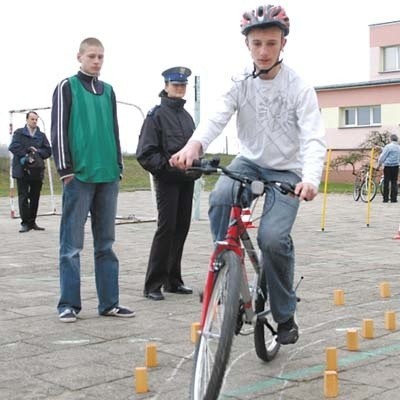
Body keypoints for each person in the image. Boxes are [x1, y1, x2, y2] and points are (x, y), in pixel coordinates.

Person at [170, 5, 326, 344]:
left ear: (283, 43)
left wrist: (310, 178)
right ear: (247, 45)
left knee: (272, 238)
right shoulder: (240, 81)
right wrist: (194, 144)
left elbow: (314, 136)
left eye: (271, 43)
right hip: (249, 161)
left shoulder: (298, 87)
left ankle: (284, 315)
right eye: (257, 44)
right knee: (220, 197)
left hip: (287, 169)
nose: (264, 51)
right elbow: (217, 116)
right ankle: (226, 270)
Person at [50, 37, 135, 322]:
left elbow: (114, 128)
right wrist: (65, 169)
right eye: (91, 56)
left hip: (107, 174)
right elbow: (59, 128)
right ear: (80, 57)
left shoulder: (108, 90)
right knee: (71, 245)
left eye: (100, 56)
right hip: (80, 176)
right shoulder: (67, 87)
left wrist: (119, 165)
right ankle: (68, 304)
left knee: (106, 243)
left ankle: (109, 302)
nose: (96, 61)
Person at [136, 67, 199, 301]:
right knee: (166, 229)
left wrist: (197, 166)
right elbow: (145, 153)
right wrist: (169, 167)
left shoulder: (187, 117)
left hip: (186, 181)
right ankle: (153, 283)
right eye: (175, 85)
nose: (179, 89)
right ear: (166, 86)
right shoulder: (156, 116)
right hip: (167, 181)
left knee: (181, 228)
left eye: (183, 86)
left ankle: (173, 280)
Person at [9, 111, 52, 233]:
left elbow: (48, 151)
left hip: (36, 171)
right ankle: (25, 223)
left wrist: (37, 152)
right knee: (23, 196)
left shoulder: (41, 135)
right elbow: (13, 146)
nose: (34, 121)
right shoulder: (19, 133)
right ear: (27, 119)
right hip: (22, 170)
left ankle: (32, 222)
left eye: (36, 119)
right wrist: (27, 154)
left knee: (35, 196)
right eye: (32, 119)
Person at [377, 134, 400, 203]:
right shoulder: (399, 147)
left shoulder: (388, 147)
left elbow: (383, 156)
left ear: (390, 139)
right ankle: (393, 199)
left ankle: (385, 198)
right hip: (396, 166)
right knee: (394, 182)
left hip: (388, 166)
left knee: (386, 182)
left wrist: (379, 164)